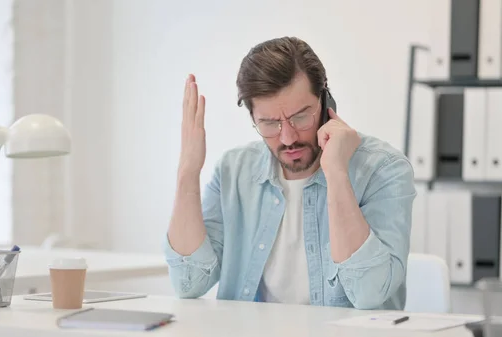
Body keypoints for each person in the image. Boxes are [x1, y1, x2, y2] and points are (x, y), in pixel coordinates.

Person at [163, 36, 416, 310]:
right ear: (252, 118)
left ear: (325, 102)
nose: (287, 137)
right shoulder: (233, 171)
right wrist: (188, 171)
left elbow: (368, 294)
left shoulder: (383, 169)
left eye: (300, 116)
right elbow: (188, 282)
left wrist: (337, 173)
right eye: (269, 123)